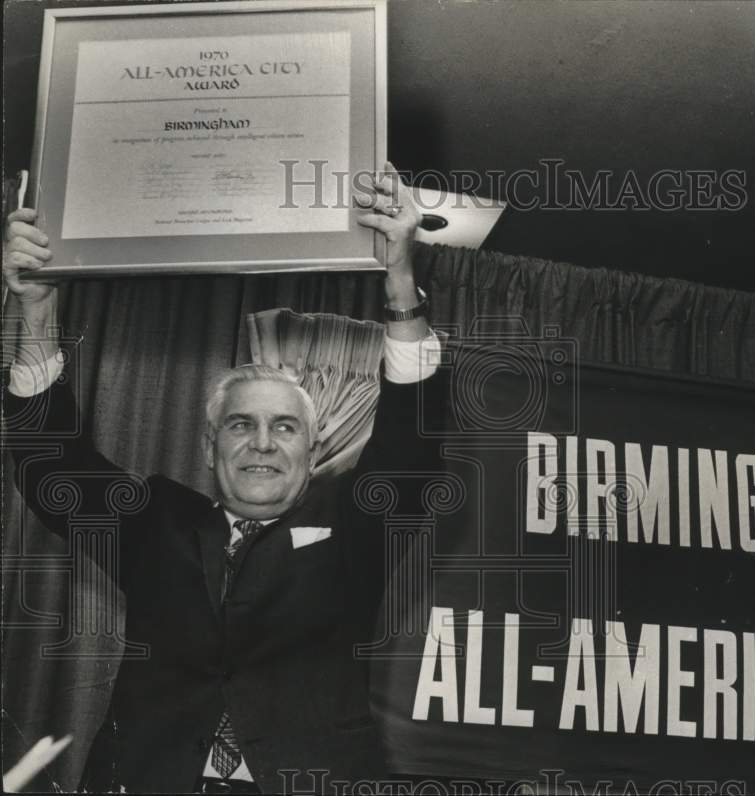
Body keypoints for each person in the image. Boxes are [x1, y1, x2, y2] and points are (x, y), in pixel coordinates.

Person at [2, 164, 445, 794]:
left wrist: (401, 279)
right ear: (211, 445)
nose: (263, 443)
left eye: (285, 428)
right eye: (241, 425)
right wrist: (37, 311)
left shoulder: (354, 528)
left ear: (314, 445)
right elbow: (51, 469)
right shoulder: (157, 522)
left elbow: (413, 447)